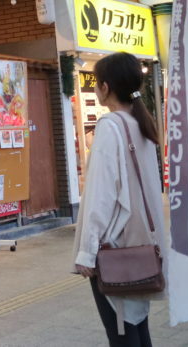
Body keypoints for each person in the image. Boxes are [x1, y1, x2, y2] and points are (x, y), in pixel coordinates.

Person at [72, 52, 165, 346]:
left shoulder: (110, 127)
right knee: (137, 328)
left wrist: (86, 252)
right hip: (142, 246)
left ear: (106, 87)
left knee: (122, 334)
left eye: (98, 83)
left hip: (115, 249)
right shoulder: (142, 123)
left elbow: (100, 195)